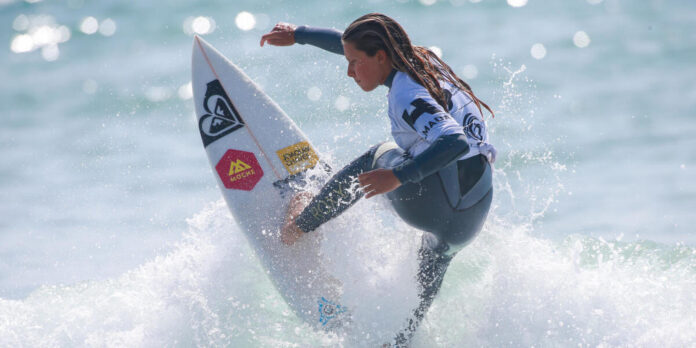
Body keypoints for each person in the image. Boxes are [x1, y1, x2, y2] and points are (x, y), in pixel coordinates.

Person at [260, 13, 496, 346]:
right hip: (471, 215)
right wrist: (300, 34)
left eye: (355, 62)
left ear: (380, 56)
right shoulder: (426, 62)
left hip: (436, 202)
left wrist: (400, 175)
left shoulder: (407, 95)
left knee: (377, 155)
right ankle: (401, 341)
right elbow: (351, 43)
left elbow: (454, 141)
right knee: (432, 260)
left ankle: (300, 224)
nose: (349, 71)